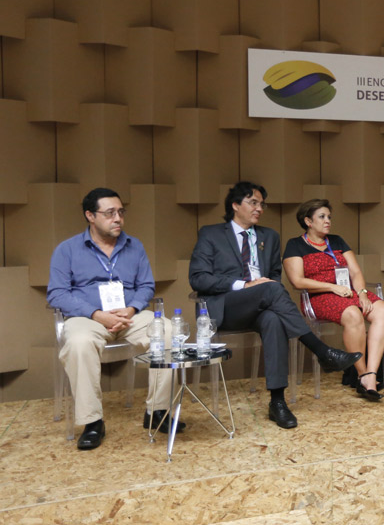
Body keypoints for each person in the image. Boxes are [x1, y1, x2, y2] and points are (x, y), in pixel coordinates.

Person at [188, 182, 361, 429]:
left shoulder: (269, 236)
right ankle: (321, 351)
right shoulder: (211, 234)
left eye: (262, 204)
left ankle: (277, 402)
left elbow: (275, 277)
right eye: (253, 203)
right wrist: (244, 285)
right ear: (235, 205)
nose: (259, 209)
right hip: (225, 306)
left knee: (273, 318)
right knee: (270, 290)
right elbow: (198, 278)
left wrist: (263, 288)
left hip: (261, 305)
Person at [47, 187, 178, 450]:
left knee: (168, 331)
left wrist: (132, 308)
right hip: (88, 318)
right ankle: (92, 422)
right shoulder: (67, 249)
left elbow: (146, 286)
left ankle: (157, 411)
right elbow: (57, 293)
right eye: (109, 213)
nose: (118, 218)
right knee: (79, 343)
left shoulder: (135, 246)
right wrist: (96, 314)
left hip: (129, 316)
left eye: (120, 212)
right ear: (90, 216)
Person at [283, 199, 384, 401]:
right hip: (319, 296)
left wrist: (362, 293)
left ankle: (371, 373)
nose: (328, 221)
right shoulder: (295, 245)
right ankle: (362, 375)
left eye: (329, 217)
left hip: (348, 292)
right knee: (353, 314)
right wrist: (332, 287)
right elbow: (297, 281)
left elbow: (355, 272)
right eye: (322, 217)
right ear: (308, 221)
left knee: (382, 310)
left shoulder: (337, 241)